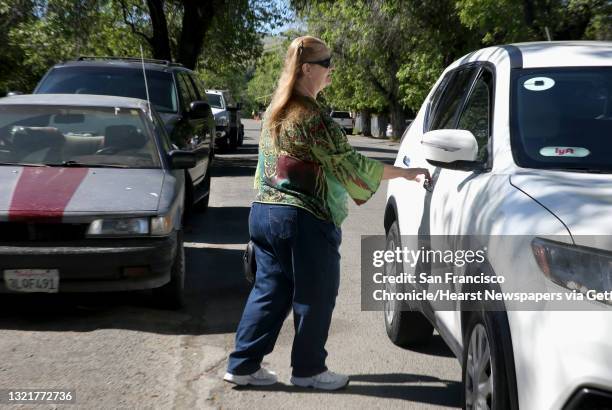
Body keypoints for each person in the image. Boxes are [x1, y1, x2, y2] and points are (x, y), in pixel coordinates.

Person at [224, 36, 430, 391]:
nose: (331, 70)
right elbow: (352, 166)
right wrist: (406, 173)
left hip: (264, 212)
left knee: (269, 290)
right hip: (301, 217)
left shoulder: (276, 110)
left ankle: (242, 365)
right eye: (326, 64)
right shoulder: (312, 115)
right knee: (316, 294)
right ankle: (308, 371)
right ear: (306, 69)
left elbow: (268, 169)